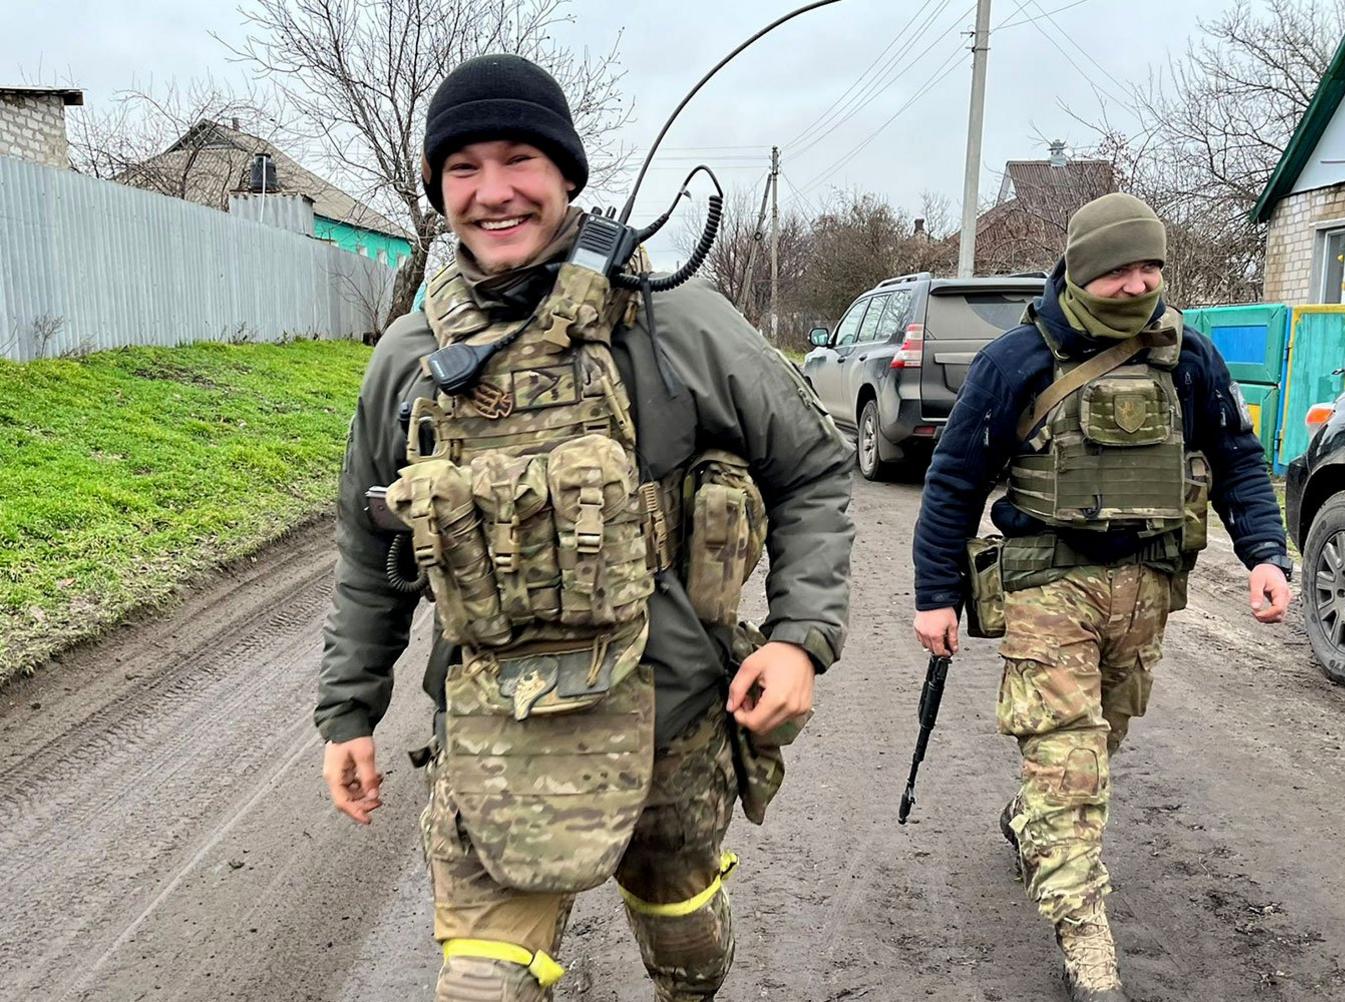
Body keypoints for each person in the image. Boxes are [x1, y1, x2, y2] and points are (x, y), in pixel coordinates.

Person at [315, 54, 854, 1002]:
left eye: (518, 159)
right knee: (482, 986)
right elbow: (370, 551)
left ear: (566, 174)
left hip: (678, 720)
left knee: (683, 935)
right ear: (438, 187)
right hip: (497, 729)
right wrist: (348, 714)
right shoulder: (409, 356)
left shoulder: (677, 322)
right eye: (462, 169)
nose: (492, 193)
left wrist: (801, 639)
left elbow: (811, 467)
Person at [910, 192, 1291, 1002]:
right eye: (1119, 268)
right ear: (1083, 269)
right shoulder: (1017, 359)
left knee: (1099, 740)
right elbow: (954, 480)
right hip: (1048, 585)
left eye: (1150, 266)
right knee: (1068, 761)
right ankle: (1088, 942)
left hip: (1146, 587)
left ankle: (1031, 824)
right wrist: (935, 595)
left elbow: (1237, 457)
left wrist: (1266, 554)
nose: (1137, 283)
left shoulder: (1190, 357)